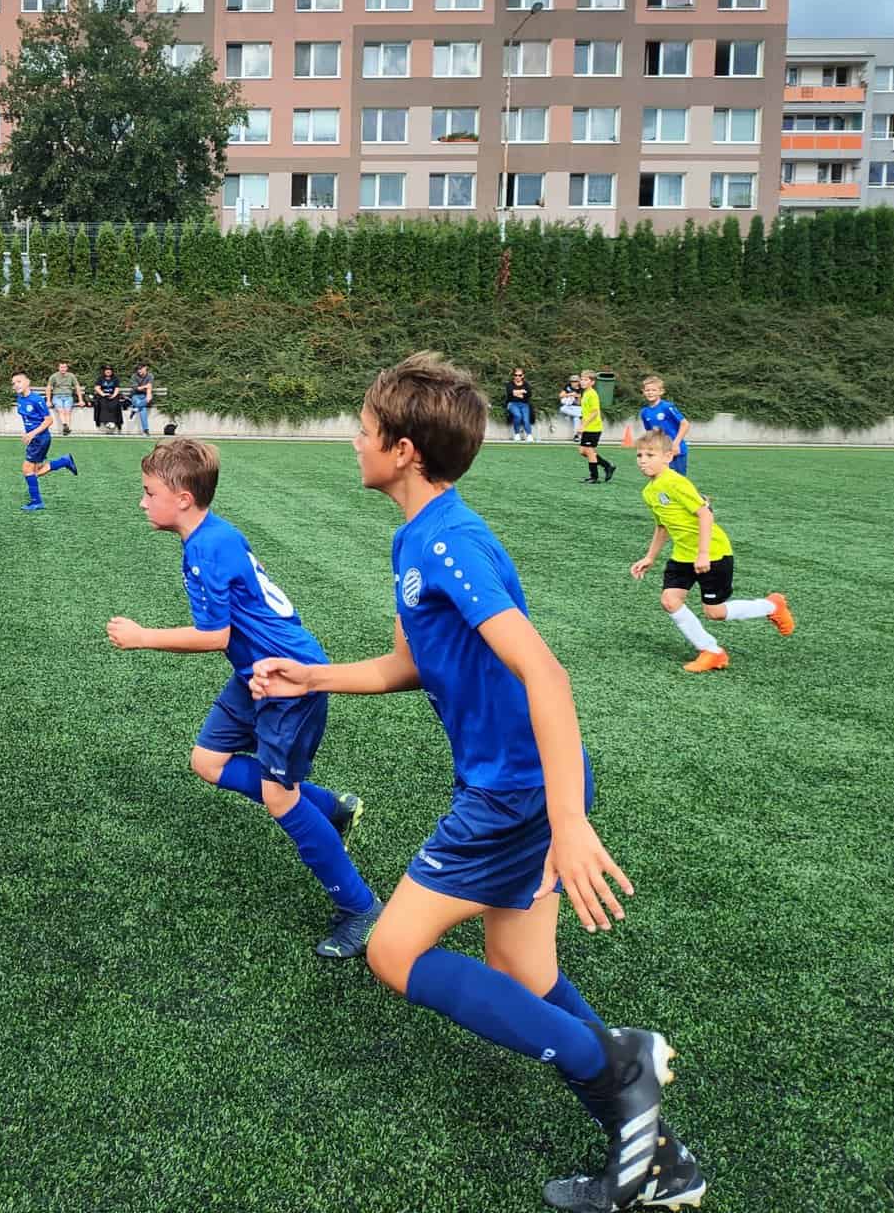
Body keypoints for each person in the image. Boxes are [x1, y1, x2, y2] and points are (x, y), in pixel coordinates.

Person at [248, 354, 702, 1213]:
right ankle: (660, 1160)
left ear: (405, 450)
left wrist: (568, 820)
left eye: (365, 429)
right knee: (522, 969)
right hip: (516, 787)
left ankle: (620, 1062)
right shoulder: (414, 537)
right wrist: (310, 677)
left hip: (515, 794)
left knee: (393, 952)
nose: (355, 441)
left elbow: (546, 674)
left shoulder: (450, 541)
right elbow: (406, 666)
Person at [107, 438, 379, 958]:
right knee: (207, 761)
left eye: (149, 492)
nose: (142, 502)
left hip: (288, 680)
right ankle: (332, 809)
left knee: (279, 797)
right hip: (253, 673)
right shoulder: (212, 535)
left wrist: (143, 637)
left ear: (183, 498)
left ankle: (360, 907)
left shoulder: (206, 550)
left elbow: (216, 636)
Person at [629, 429, 794, 673]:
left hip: (713, 553)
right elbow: (662, 526)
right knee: (670, 600)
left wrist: (703, 553)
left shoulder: (675, 482)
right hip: (682, 555)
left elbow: (705, 514)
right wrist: (650, 557)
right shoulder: (649, 491)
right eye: (640, 455)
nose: (643, 460)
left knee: (715, 613)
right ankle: (711, 651)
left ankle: (772, 606)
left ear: (668, 457)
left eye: (650, 455)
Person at [11, 373, 79, 512]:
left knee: (27, 470)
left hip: (40, 439)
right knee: (34, 472)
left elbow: (49, 420)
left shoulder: (37, 400)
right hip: (35, 438)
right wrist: (28, 433)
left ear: (28, 382)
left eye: (19, 381)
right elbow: (29, 419)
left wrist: (32, 433)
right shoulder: (20, 398)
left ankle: (37, 502)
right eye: (13, 383)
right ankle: (64, 461)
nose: (16, 385)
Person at [637, 376, 692, 476]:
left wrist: (675, 444)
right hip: (660, 452)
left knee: (677, 480)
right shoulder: (645, 412)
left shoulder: (667, 407)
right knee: (660, 478)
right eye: (647, 390)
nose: (650, 392)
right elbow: (650, 433)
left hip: (676, 451)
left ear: (661, 392)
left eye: (654, 390)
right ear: (643, 392)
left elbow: (685, 424)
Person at [578, 370, 615, 484]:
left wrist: (583, 425)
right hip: (588, 427)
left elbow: (594, 412)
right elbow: (586, 412)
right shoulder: (585, 393)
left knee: (589, 451)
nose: (582, 382)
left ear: (592, 382)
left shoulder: (592, 394)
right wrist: (582, 424)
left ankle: (594, 477)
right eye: (582, 379)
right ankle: (607, 465)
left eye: (586, 380)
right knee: (582, 451)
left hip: (594, 428)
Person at [45, 360, 81, 436]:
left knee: (67, 411)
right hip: (57, 396)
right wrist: (48, 401)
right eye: (61, 367)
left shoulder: (71, 376)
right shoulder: (54, 376)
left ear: (67, 368)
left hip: (68, 396)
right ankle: (65, 425)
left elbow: (77, 387)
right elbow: (48, 388)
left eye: (64, 367)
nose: (63, 369)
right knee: (61, 410)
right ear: (58, 368)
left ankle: (67, 428)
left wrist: (81, 400)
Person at [505, 367, 535, 443]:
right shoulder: (509, 384)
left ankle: (529, 435)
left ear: (523, 376)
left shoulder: (526, 384)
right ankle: (517, 434)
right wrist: (522, 391)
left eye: (520, 375)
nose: (517, 377)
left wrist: (516, 393)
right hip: (512, 404)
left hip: (524, 404)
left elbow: (528, 395)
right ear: (513, 376)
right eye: (516, 375)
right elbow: (510, 393)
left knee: (526, 419)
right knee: (518, 416)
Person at [92, 365, 124, 433]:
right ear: (104, 371)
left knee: (115, 405)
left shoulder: (115, 379)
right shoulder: (100, 378)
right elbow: (97, 388)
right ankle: (102, 421)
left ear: (112, 371)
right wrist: (103, 394)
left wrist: (113, 396)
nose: (108, 371)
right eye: (106, 370)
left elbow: (117, 389)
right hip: (103, 396)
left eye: (109, 370)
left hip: (113, 395)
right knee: (102, 404)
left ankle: (117, 422)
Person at [129, 364, 155, 436]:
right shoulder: (134, 376)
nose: (139, 370)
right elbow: (137, 388)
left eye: (140, 369)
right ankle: (146, 430)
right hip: (135, 395)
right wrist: (145, 386)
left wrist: (149, 395)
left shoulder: (150, 376)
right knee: (142, 408)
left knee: (141, 408)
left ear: (145, 368)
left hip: (145, 395)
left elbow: (149, 387)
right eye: (138, 369)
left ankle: (135, 409)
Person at [558, 375, 582, 442]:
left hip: (578, 407)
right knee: (562, 408)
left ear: (578, 382)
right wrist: (570, 394)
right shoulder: (568, 386)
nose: (573, 383)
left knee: (576, 419)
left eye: (575, 381)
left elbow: (580, 402)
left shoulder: (581, 388)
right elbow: (560, 395)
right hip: (570, 407)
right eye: (572, 381)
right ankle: (580, 415)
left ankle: (576, 436)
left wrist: (577, 396)